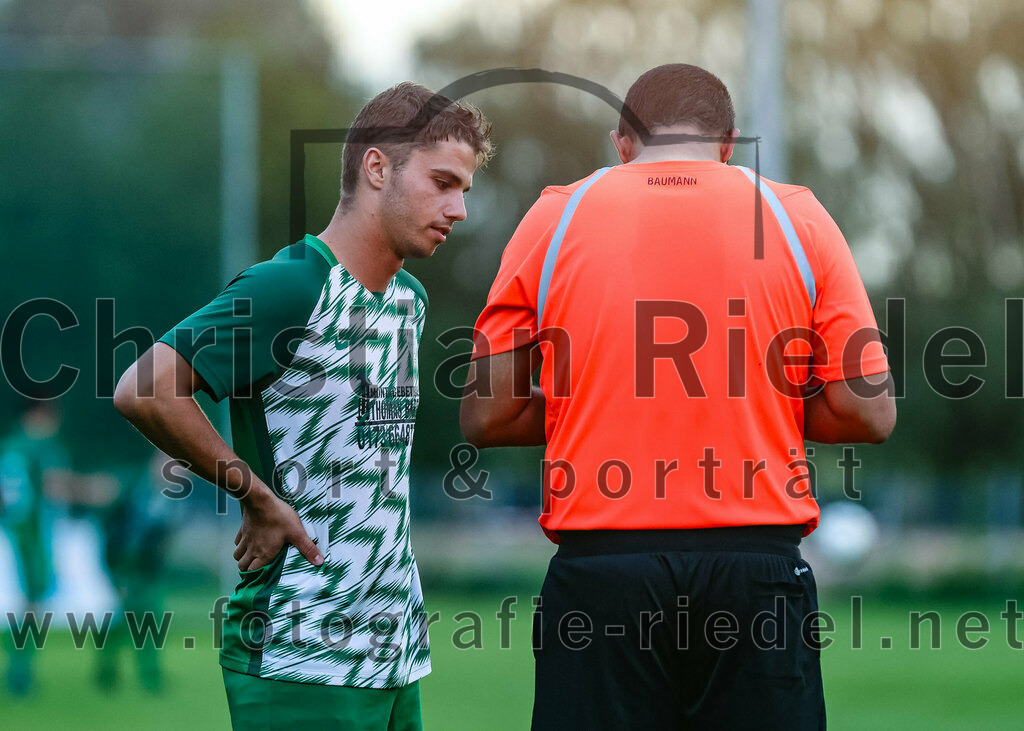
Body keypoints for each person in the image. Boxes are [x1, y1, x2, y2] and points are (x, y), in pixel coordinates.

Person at [461, 64, 896, 730]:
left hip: (602, 575)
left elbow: (487, 415)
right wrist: (754, 404)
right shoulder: (797, 214)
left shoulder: (556, 213)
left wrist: (610, 402)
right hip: (757, 573)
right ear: (729, 143)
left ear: (623, 142)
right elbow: (869, 409)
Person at [115, 82, 491, 730]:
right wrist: (254, 493)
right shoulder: (291, 285)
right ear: (377, 168)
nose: (457, 207)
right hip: (300, 650)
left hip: (396, 656)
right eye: (442, 182)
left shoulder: (409, 301)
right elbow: (143, 387)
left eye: (464, 189)